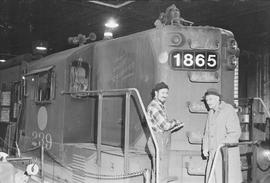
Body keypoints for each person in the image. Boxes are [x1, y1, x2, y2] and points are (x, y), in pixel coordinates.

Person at [202, 88, 242, 183]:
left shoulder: (228, 110)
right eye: (207, 100)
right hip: (213, 154)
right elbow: (207, 132)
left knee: (225, 178)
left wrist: (222, 144)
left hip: (225, 154)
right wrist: (205, 147)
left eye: (210, 99)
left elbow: (235, 133)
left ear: (217, 99)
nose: (208, 102)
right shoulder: (211, 112)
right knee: (213, 179)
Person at [147, 82, 183, 182]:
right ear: (156, 93)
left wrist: (174, 125)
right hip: (158, 139)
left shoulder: (160, 105)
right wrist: (175, 122)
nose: (165, 95)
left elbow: (163, 125)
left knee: (161, 170)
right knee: (160, 171)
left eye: (166, 93)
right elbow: (166, 125)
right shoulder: (154, 106)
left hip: (162, 138)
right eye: (163, 92)